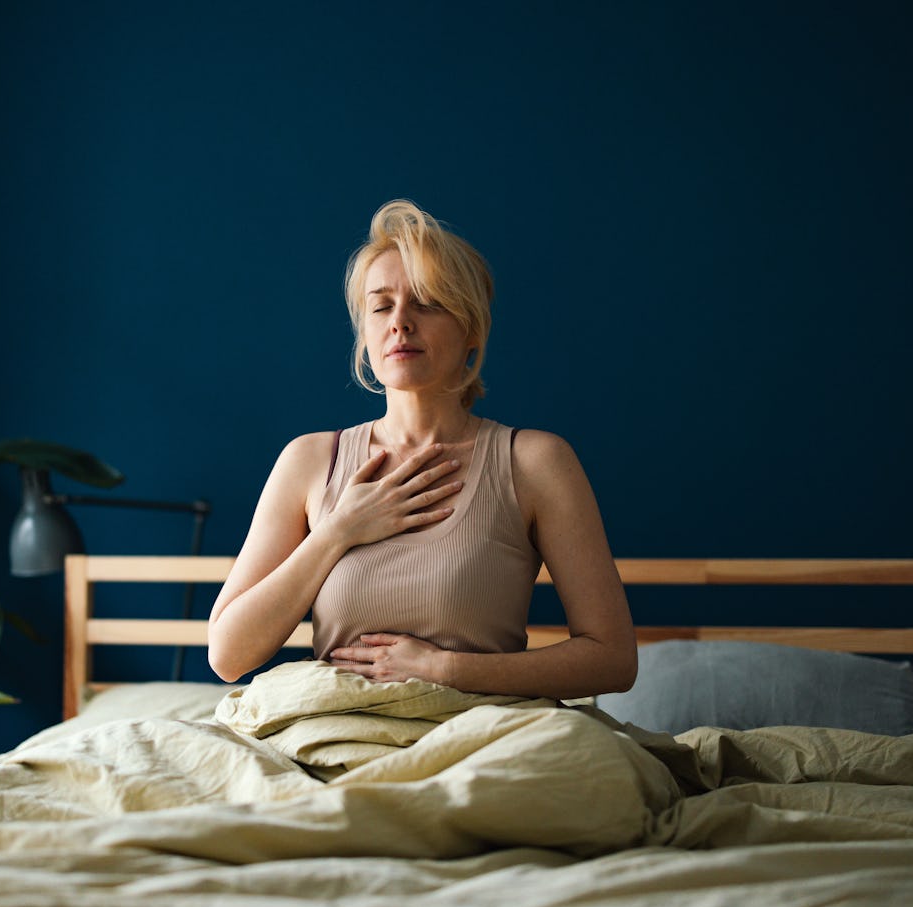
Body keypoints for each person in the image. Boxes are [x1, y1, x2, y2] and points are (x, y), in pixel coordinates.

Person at [208, 200, 636, 699]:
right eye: (381, 306)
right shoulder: (309, 461)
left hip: (483, 732)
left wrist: (444, 668)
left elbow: (613, 659)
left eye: (427, 302)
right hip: (337, 730)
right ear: (365, 334)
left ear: (471, 328)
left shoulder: (535, 462)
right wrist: (338, 531)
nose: (401, 322)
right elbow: (228, 656)